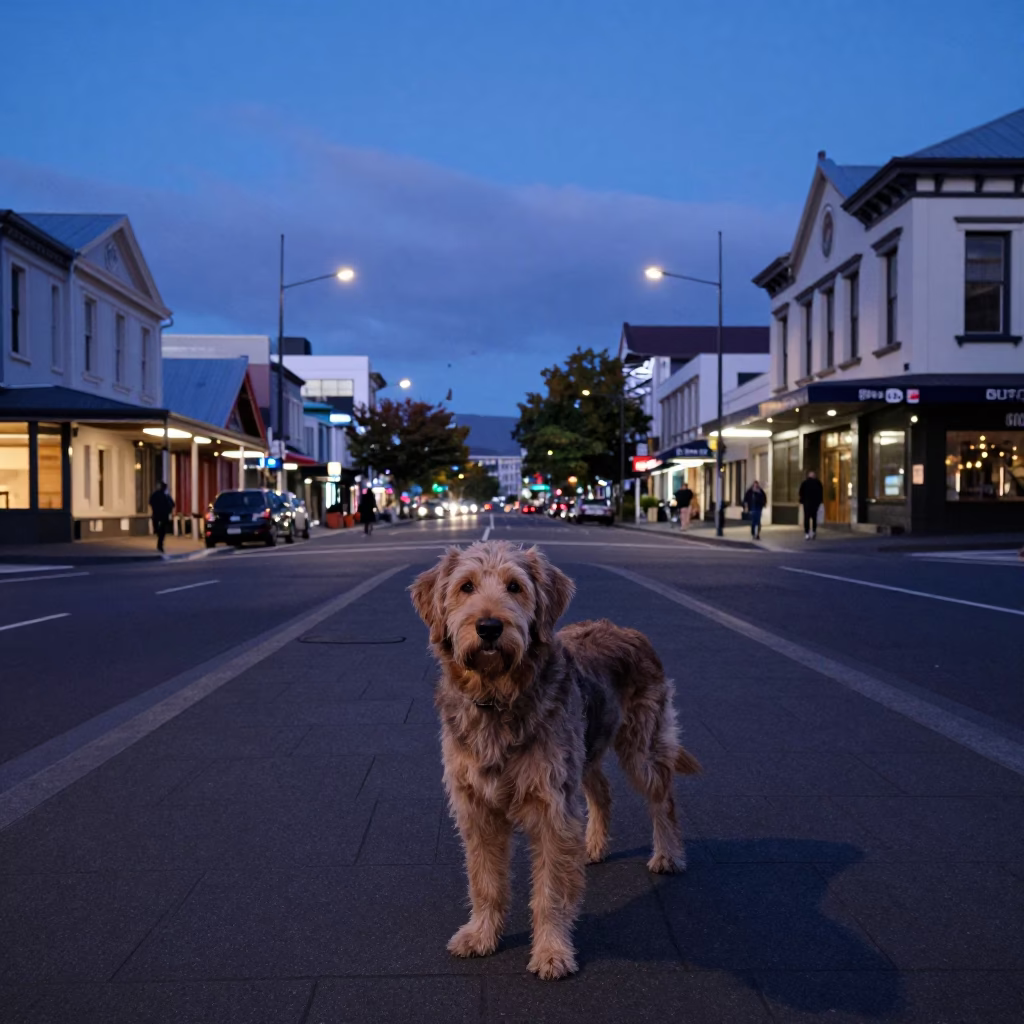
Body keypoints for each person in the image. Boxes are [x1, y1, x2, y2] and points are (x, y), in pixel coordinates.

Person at [149, 481, 175, 553]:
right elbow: (172, 504)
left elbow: (151, 502)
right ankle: (160, 543)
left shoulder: (158, 495)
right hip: (162, 515)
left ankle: (160, 543)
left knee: (160, 530)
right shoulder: (164, 496)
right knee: (161, 531)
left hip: (159, 515)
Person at [798, 469, 824, 540]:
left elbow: (800, 493)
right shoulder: (818, 483)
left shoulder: (805, 483)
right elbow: (820, 493)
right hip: (815, 504)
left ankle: (807, 533)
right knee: (814, 518)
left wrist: (802, 501)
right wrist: (820, 502)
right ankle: (813, 531)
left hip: (807, 503)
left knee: (806, 518)